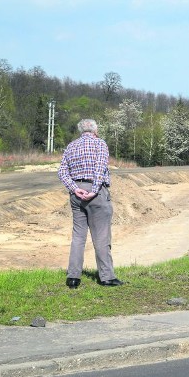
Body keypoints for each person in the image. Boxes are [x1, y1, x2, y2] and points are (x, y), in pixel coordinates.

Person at [58, 118, 123, 288]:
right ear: (95, 130)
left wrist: (74, 188)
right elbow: (100, 167)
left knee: (78, 236)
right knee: (101, 236)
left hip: (76, 193)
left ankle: (73, 278)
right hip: (96, 193)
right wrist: (94, 190)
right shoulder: (100, 144)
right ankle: (107, 277)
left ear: (81, 130)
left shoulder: (71, 146)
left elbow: (62, 172)